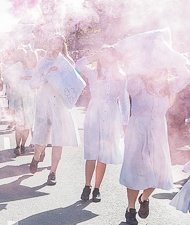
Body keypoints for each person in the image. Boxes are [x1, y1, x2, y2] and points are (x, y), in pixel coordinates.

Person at [120, 66, 190, 225]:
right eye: (156, 66)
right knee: (135, 170)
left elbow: (186, 76)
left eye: (162, 67)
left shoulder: (169, 85)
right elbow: (129, 84)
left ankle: (144, 198)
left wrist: (173, 57)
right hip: (138, 130)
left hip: (158, 131)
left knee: (158, 171)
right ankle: (131, 209)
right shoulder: (138, 83)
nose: (158, 70)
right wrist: (140, 64)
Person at [76, 47, 128, 202]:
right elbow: (79, 66)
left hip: (112, 114)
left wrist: (125, 122)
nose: (106, 58)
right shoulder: (93, 73)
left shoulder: (121, 76)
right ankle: (87, 185)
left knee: (103, 153)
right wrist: (93, 56)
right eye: (103, 55)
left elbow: (124, 100)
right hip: (94, 113)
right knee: (91, 152)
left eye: (109, 55)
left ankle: (97, 188)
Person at [29, 36, 80, 185]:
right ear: (49, 44)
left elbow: (75, 83)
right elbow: (33, 84)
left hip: (61, 105)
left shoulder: (69, 62)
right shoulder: (43, 62)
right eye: (53, 42)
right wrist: (47, 74)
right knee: (41, 139)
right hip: (44, 104)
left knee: (59, 139)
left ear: (63, 45)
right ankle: (36, 157)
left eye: (59, 43)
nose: (56, 46)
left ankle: (53, 172)